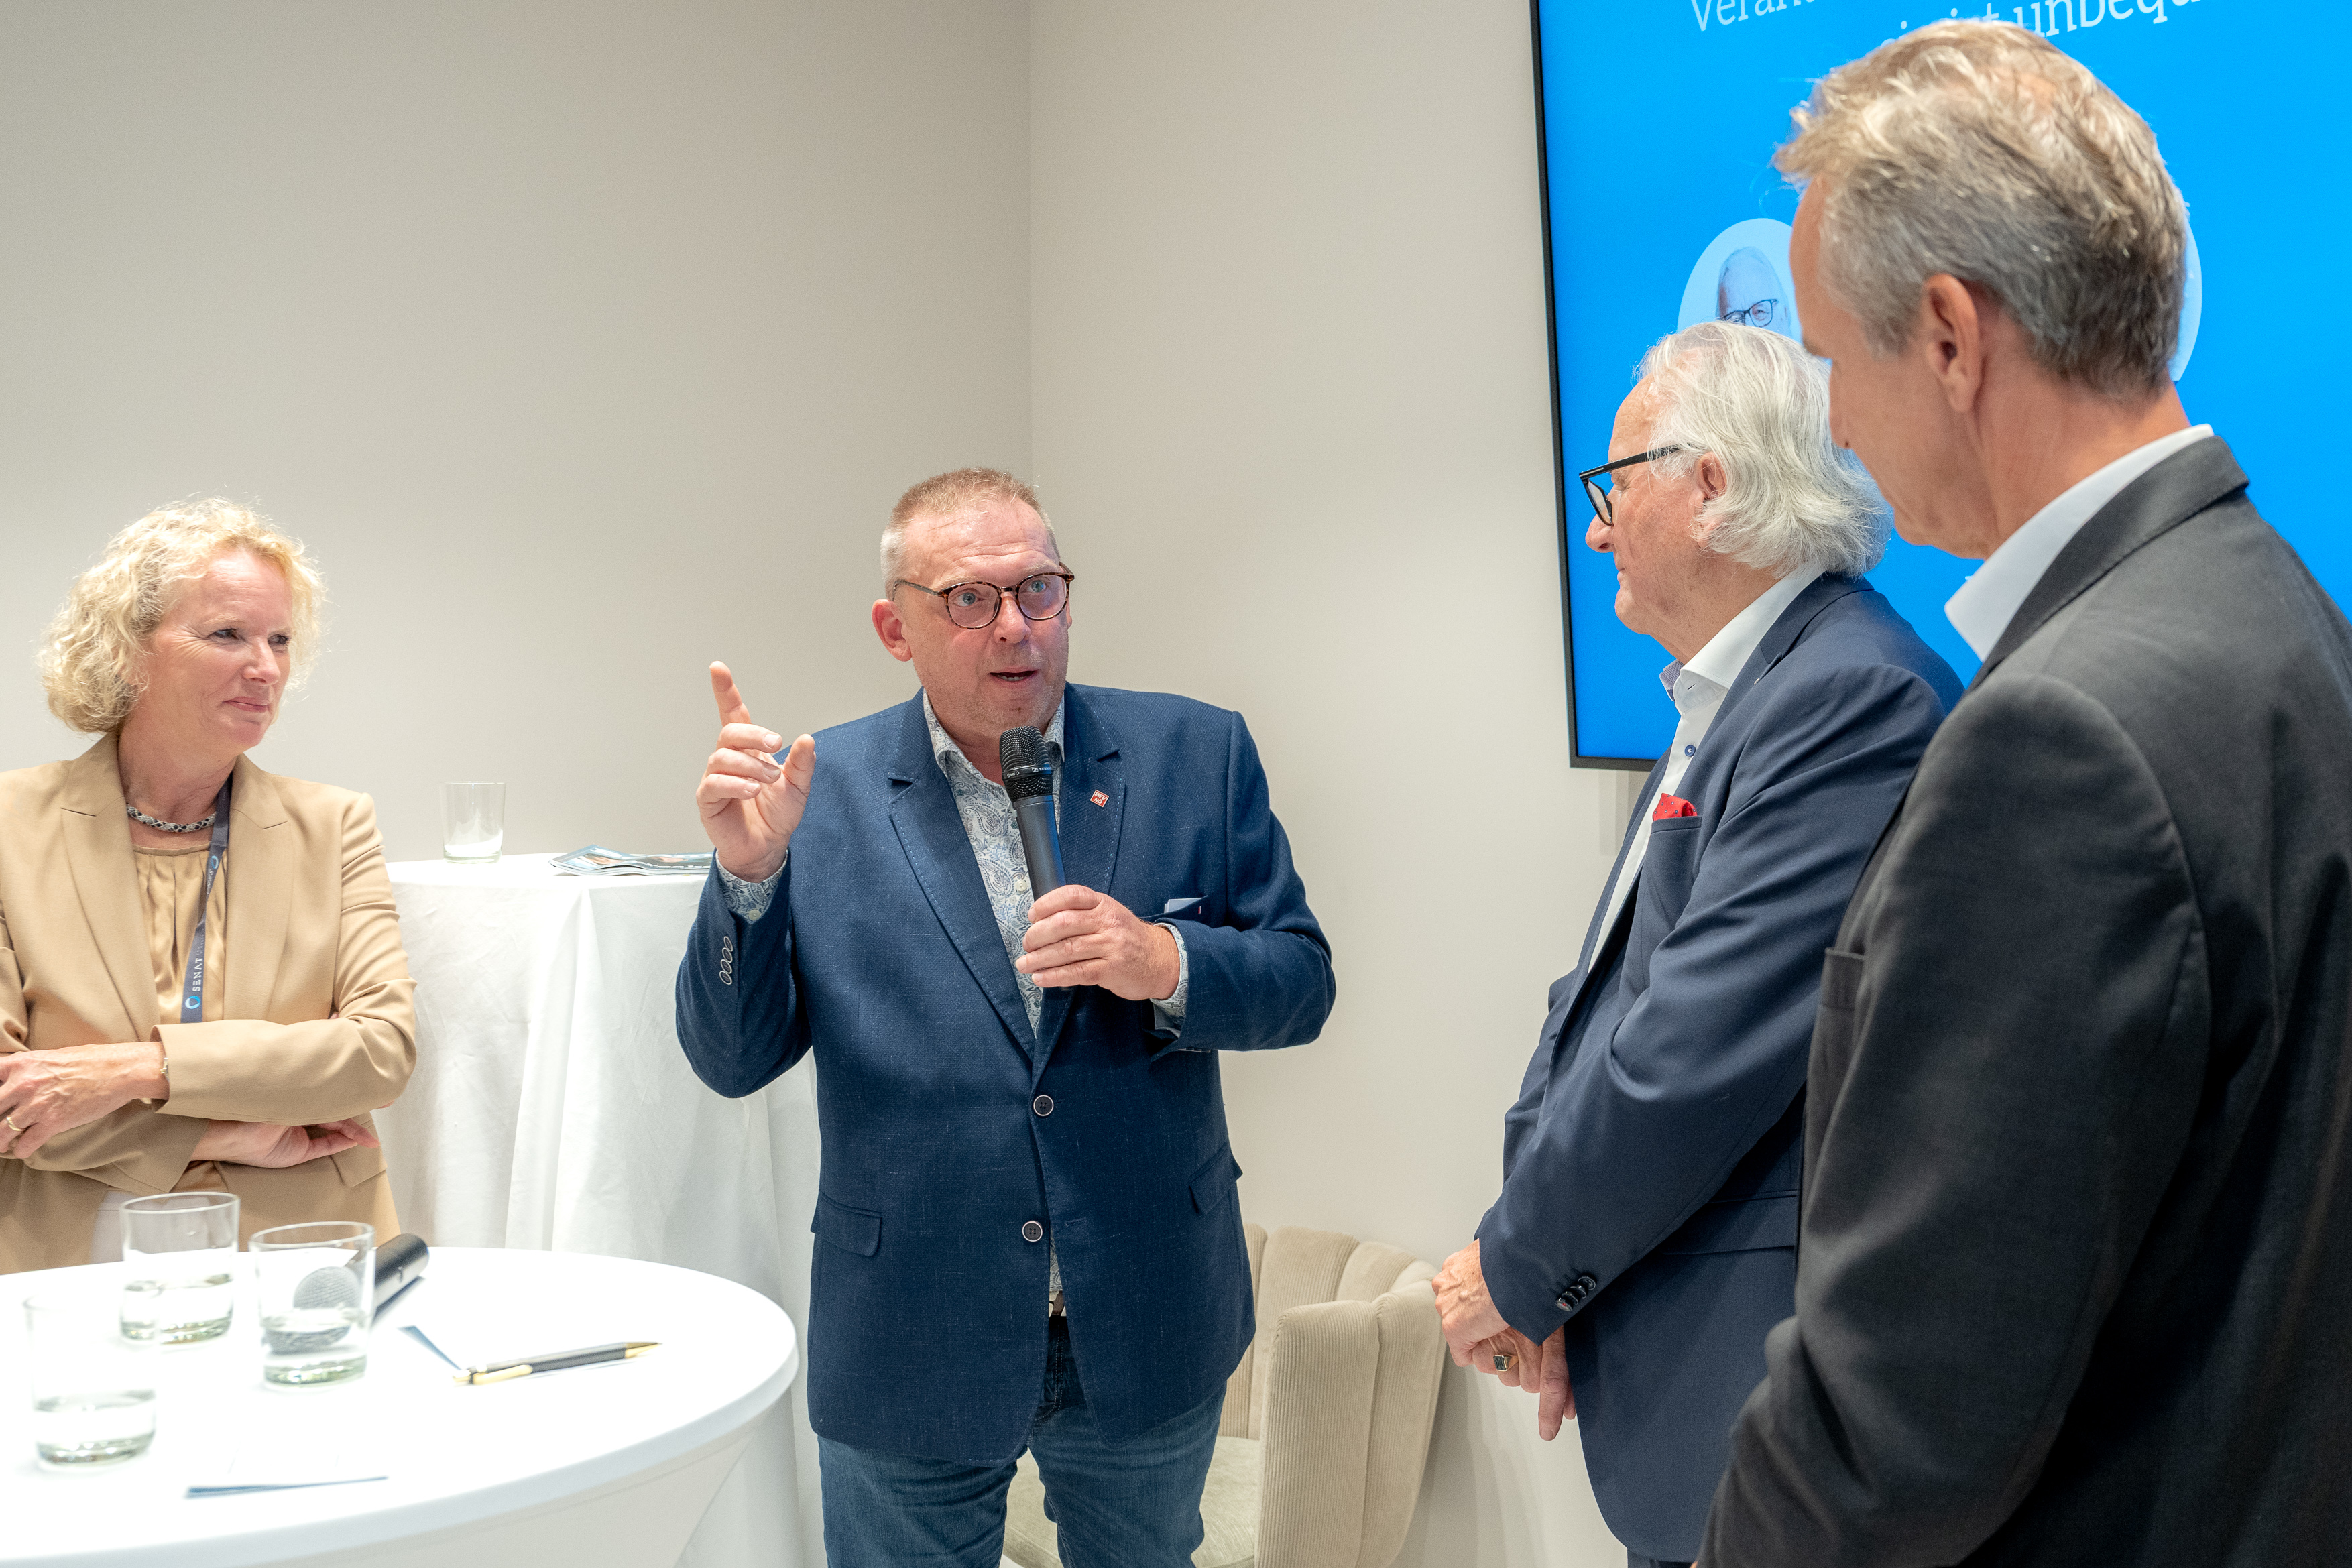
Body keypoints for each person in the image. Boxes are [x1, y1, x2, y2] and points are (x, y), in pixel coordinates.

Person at [1703, 22, 2352, 1567]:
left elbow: (1894, 1435)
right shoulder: (2278, 612)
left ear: (1947, 335)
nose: (1830, 422)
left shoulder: (2053, 741)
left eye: (1829, 359)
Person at [672, 467, 1334, 1568]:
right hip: (911, 1324)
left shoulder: (1194, 751)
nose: (1016, 625)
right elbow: (732, 1058)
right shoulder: (812, 791)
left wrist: (1162, 957)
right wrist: (748, 878)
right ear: (896, 627)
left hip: (1146, 1306)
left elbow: (1299, 981)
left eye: (1039, 588)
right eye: (970, 599)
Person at [1427, 322, 1960, 1568]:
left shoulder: (1847, 696)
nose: (1597, 529)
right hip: (1682, 1367)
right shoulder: (1741, 692)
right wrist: (1538, 1257)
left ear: (1709, 485)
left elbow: (1687, 1055)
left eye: (1612, 486)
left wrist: (1515, 1269)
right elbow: (1597, 1001)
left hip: (1770, 1395)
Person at [0, 501, 416, 1272]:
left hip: (301, 1247)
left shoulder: (335, 825)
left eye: (279, 639)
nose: (267, 668)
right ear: (127, 649)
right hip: (67, 1254)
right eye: (228, 634)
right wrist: (219, 1132)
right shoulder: (9, 825)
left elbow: (378, 1053)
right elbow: (11, 1102)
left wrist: (134, 1070)